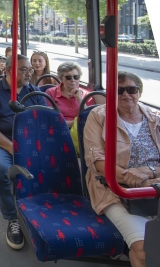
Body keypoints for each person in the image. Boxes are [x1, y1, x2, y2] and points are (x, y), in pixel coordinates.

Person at [84, 71, 160, 267]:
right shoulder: (98, 116)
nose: (126, 94)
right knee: (145, 250)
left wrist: (149, 171)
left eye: (131, 89)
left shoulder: (155, 118)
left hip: (155, 185)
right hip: (115, 190)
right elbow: (97, 161)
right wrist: (131, 177)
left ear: (139, 92)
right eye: (119, 90)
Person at [0, 54, 47, 250]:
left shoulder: (34, 92)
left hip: (29, 142)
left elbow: (44, 123)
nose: (29, 73)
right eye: (24, 69)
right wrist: (13, 148)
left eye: (30, 70)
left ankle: (39, 212)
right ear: (9, 71)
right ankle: (12, 217)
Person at [45, 62, 94, 128]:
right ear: (61, 78)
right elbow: (49, 118)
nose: (73, 80)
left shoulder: (86, 94)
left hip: (81, 129)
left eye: (76, 77)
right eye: (68, 77)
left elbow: (90, 117)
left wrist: (80, 99)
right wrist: (75, 123)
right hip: (58, 128)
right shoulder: (51, 92)